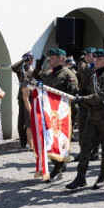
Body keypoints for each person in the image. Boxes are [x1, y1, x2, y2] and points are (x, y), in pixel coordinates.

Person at [66, 49, 104, 190]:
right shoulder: (93, 76)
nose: (95, 61)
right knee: (85, 146)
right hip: (92, 116)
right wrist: (81, 96)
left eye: (99, 59)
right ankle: (80, 177)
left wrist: (84, 99)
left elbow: (103, 95)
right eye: (95, 59)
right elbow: (88, 91)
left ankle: (103, 177)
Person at [31, 49, 79, 182]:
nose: (49, 60)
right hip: (50, 113)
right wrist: (38, 68)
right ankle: (59, 164)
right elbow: (34, 80)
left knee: (59, 140)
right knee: (50, 139)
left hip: (63, 114)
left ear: (60, 59)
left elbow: (72, 95)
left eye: (51, 58)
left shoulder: (68, 75)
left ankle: (57, 170)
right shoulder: (48, 74)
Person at [11, 52, 34, 148]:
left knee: (30, 117)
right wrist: (23, 60)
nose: (32, 60)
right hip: (23, 96)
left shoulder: (33, 69)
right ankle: (23, 140)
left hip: (33, 95)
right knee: (22, 119)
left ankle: (30, 139)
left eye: (32, 58)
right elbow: (13, 67)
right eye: (30, 58)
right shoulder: (21, 69)